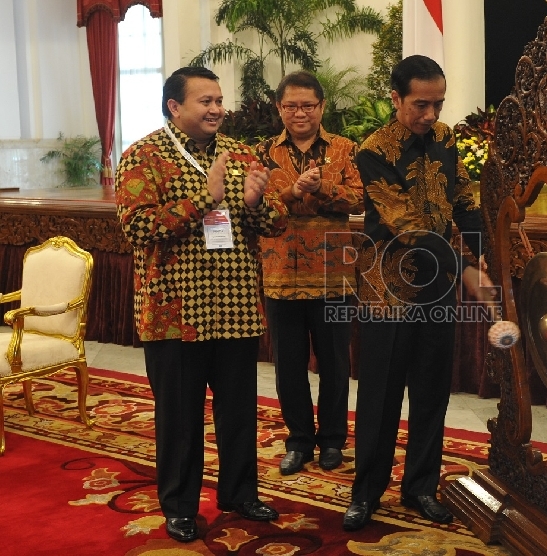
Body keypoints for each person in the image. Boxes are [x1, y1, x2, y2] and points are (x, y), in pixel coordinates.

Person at [115, 66, 288, 543]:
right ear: (175, 107)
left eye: (218, 100)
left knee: (238, 410)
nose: (216, 109)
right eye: (204, 101)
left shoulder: (240, 153)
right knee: (180, 417)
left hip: (234, 304)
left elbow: (273, 223)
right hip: (175, 311)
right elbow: (138, 229)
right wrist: (203, 199)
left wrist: (254, 201)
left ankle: (239, 493)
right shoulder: (142, 156)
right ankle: (180, 505)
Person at [342, 55, 496, 531]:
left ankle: (420, 487)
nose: (431, 115)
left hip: (437, 288)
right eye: (421, 105)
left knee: (431, 391)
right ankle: (366, 493)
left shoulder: (447, 138)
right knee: (381, 395)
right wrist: (466, 271)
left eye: (438, 104)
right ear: (396, 99)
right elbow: (407, 225)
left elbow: (464, 196)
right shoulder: (374, 150)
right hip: (388, 290)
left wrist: (482, 251)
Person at [256, 71, 363, 475]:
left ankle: (333, 441)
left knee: (336, 362)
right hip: (280, 274)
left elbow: (357, 199)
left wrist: (321, 191)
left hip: (332, 275)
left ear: (321, 107)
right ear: (279, 108)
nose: (299, 113)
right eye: (291, 106)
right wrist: (293, 192)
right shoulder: (262, 153)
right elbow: (257, 204)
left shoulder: (345, 149)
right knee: (288, 365)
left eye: (308, 105)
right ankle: (298, 440)